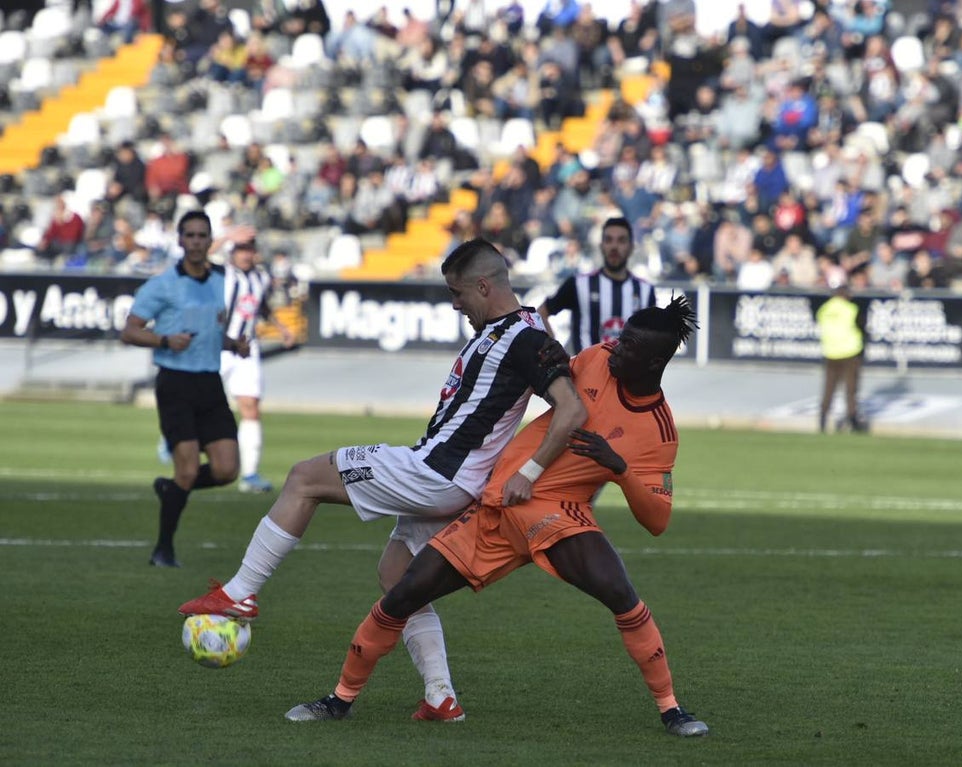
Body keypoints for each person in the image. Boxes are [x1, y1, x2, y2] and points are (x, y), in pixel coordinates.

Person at [179, 238, 585, 722]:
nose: (455, 304)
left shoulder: (525, 337)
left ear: (483, 285)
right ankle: (441, 697)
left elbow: (572, 409)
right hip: (450, 479)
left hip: (435, 472)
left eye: (458, 294)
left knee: (304, 477)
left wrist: (530, 472)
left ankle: (240, 592)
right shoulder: (517, 329)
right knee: (396, 578)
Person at [282, 297, 709, 738]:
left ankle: (672, 709)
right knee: (403, 593)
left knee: (622, 594)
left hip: (560, 514)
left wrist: (619, 468)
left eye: (630, 344)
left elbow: (657, 519)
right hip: (498, 506)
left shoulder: (659, 431)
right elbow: (559, 379)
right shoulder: (598, 358)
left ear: (657, 360)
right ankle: (339, 700)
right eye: (621, 337)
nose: (615, 346)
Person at [120, 211, 250, 568]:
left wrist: (232, 344)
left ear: (210, 241)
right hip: (175, 383)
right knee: (189, 469)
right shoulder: (162, 285)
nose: (195, 241)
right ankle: (163, 549)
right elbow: (129, 331)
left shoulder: (219, 281)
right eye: (189, 235)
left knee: (227, 470)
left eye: (201, 235)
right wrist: (163, 338)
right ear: (180, 241)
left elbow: (209, 330)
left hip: (209, 383)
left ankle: (171, 489)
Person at [221, 239, 297, 493]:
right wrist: (227, 235)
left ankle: (250, 473)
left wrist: (280, 327)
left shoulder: (260, 277)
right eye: (241, 249)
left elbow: (261, 305)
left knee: (251, 406)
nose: (246, 255)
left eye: (249, 250)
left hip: (246, 348)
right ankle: (173, 436)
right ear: (232, 252)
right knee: (197, 398)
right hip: (217, 345)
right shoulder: (222, 273)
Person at [539, 217, 656, 353]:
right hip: (585, 373)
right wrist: (555, 353)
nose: (614, 246)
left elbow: (653, 336)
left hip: (631, 374)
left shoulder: (645, 291)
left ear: (631, 247)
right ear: (601, 246)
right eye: (608, 240)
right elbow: (541, 314)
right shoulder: (578, 284)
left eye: (621, 241)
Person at [816, 282, 866, 434]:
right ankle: (852, 419)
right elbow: (861, 327)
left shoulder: (825, 309)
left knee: (829, 388)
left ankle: (823, 419)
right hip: (849, 352)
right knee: (851, 389)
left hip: (830, 352)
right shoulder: (850, 309)